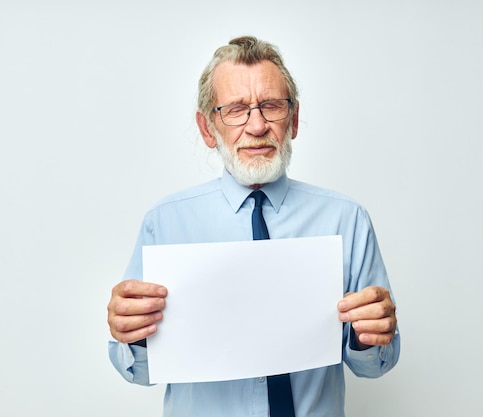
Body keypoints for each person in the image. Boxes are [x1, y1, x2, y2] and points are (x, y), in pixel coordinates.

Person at [107, 35, 400, 417]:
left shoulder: (347, 219)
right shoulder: (165, 222)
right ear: (208, 128)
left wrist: (370, 335)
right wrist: (133, 335)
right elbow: (138, 371)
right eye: (235, 109)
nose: (257, 125)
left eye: (271, 106)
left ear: (293, 120)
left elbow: (375, 364)